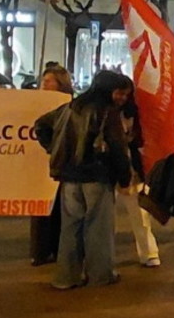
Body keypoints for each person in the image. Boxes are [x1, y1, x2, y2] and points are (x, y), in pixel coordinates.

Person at [35, 70, 134, 290]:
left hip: (70, 176)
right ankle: (101, 274)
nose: (121, 98)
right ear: (108, 90)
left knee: (70, 227)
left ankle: (66, 277)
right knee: (99, 227)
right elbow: (118, 149)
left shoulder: (71, 107)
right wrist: (125, 178)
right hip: (97, 176)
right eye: (119, 92)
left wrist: (53, 148)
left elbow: (41, 125)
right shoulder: (108, 113)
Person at [29, 66, 74, 268]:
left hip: (59, 164)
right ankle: (39, 251)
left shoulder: (68, 106)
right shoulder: (36, 103)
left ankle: (56, 249)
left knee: (58, 209)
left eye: (50, 81)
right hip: (36, 165)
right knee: (39, 209)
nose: (44, 84)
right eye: (43, 81)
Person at [116, 89, 161, 268]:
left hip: (131, 168)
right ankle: (101, 256)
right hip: (108, 168)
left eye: (126, 93)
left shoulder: (136, 113)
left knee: (140, 214)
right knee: (102, 218)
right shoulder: (101, 111)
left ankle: (149, 252)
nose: (121, 96)